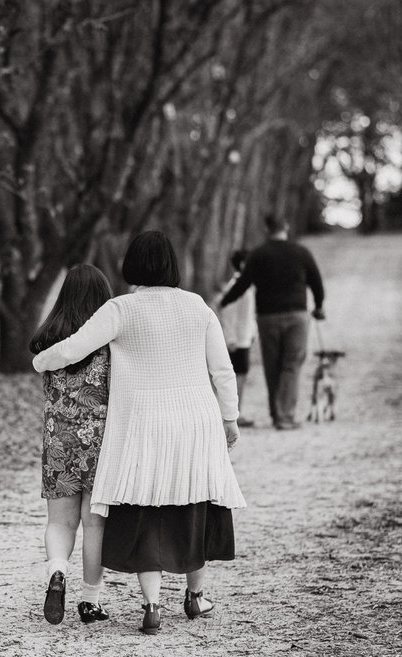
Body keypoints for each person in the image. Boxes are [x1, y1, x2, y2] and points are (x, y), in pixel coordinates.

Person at [32, 232, 244, 635]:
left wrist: (41, 361)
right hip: (196, 419)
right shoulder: (197, 306)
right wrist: (229, 417)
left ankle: (151, 604)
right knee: (194, 502)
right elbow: (222, 369)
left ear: (132, 264)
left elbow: (73, 348)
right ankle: (195, 596)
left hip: (144, 423)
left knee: (149, 507)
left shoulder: (121, 309)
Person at [29, 265, 113, 626]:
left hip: (58, 442)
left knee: (60, 523)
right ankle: (90, 602)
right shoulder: (109, 344)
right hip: (100, 444)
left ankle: (57, 574)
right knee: (94, 526)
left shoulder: (49, 340)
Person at [219, 215, 325, 430]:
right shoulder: (301, 252)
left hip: (268, 317)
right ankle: (285, 416)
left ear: (267, 229)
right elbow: (316, 282)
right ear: (286, 226)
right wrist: (319, 306)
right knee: (292, 364)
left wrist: (224, 301)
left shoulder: (258, 254)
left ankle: (277, 414)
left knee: (272, 365)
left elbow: (243, 283)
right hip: (296, 316)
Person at [217, 249, 257, 427]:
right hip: (236, 341)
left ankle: (235, 412)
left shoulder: (246, 286)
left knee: (241, 375)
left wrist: (253, 331)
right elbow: (227, 312)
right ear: (242, 264)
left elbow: (249, 314)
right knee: (236, 376)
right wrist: (230, 338)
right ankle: (234, 414)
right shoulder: (235, 286)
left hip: (244, 337)